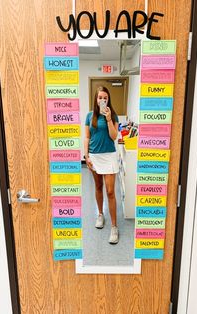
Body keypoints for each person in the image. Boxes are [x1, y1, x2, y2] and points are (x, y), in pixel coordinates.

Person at [84, 86, 119, 244]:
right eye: (100, 97)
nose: (102, 100)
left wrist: (109, 119)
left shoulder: (113, 115)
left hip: (109, 156)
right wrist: (87, 155)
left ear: (108, 99)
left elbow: (113, 137)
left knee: (110, 191)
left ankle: (114, 226)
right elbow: (87, 137)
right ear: (96, 99)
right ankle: (100, 214)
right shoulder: (89, 116)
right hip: (94, 156)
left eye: (105, 97)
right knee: (98, 187)